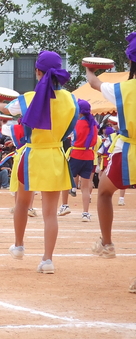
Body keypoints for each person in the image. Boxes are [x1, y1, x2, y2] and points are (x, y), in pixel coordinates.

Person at [0, 51, 78, 274]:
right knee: (50, 212)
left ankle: (19, 246)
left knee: (22, 203)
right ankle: (47, 260)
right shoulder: (72, 99)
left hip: (32, 155)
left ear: (38, 71)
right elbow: (70, 128)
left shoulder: (28, 98)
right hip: (55, 155)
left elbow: (6, 109)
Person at [85, 33, 136, 293]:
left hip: (129, 153)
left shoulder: (122, 89)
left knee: (104, 193)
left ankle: (107, 243)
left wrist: (89, 69)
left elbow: (94, 83)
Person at [57, 99, 98, 221]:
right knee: (85, 186)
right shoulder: (94, 125)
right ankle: (85, 213)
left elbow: (65, 136)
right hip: (89, 155)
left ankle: (65, 205)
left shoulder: (75, 123)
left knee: (66, 181)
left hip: (75, 154)